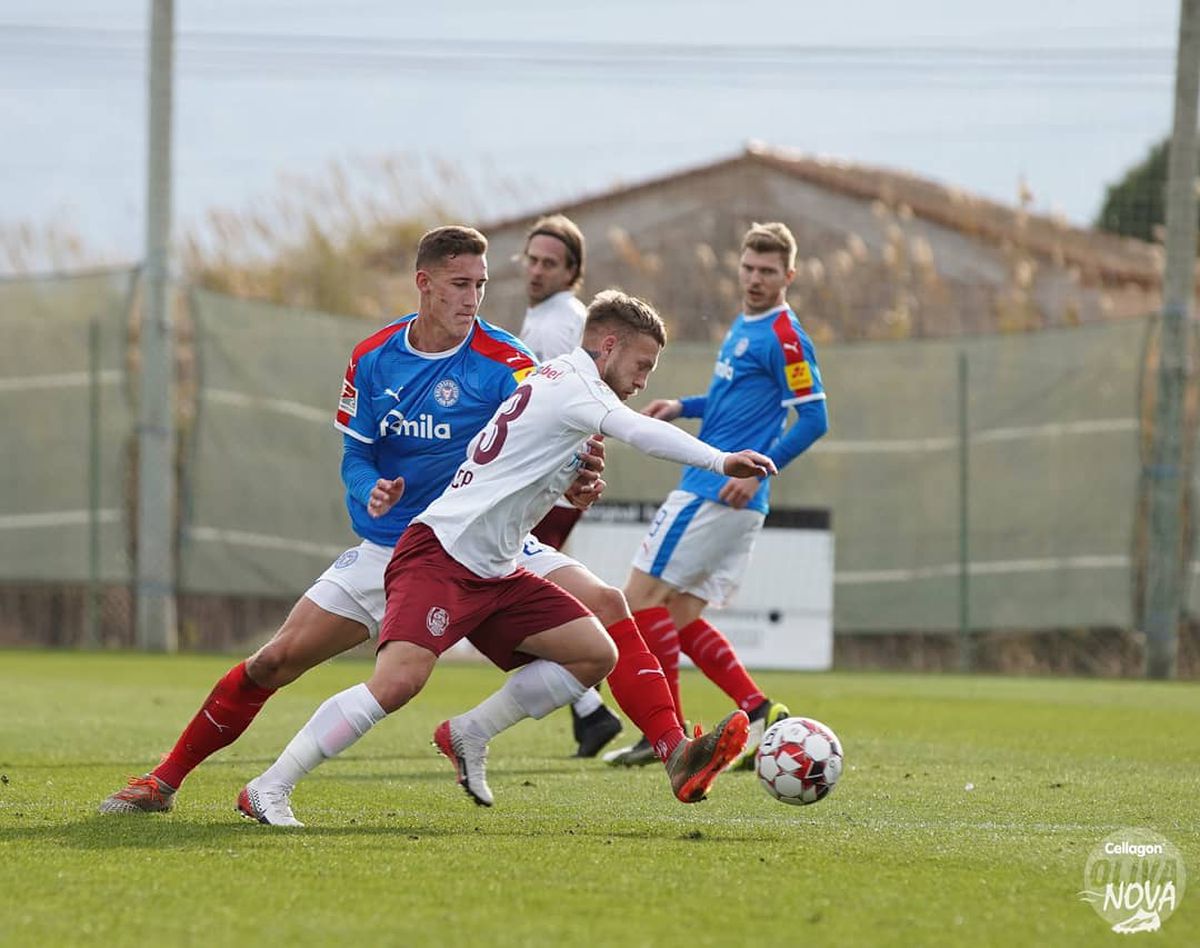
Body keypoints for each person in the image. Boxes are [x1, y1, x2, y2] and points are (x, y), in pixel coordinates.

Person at [98, 224, 603, 815]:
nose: (473, 298)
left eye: (482, 285)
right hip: (389, 552)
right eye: (459, 284)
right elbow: (356, 455)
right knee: (274, 660)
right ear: (424, 283)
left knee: (603, 620)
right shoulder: (374, 357)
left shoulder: (507, 363)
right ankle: (163, 780)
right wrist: (372, 491)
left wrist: (579, 474)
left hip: (477, 553)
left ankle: (653, 739)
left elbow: (547, 434)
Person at [237, 290, 777, 825]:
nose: (642, 382)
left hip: (497, 567)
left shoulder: (557, 381)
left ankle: (486, 734)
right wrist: (722, 459)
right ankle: (268, 787)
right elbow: (640, 431)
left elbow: (523, 457)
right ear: (607, 346)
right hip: (443, 554)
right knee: (398, 682)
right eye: (641, 366)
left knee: (596, 650)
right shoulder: (576, 385)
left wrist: (574, 481)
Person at [606, 222, 829, 770]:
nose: (755, 279)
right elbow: (737, 399)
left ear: (789, 275)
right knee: (676, 617)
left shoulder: (784, 335)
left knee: (635, 603)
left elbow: (814, 418)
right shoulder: (747, 323)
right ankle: (758, 710)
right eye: (749, 268)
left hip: (716, 490)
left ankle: (669, 737)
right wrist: (684, 405)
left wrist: (758, 473)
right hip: (725, 495)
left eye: (768, 271)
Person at [516, 213, 623, 758]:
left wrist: (574, 465)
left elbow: (584, 400)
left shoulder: (564, 322)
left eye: (549, 263)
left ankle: (595, 706)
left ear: (572, 271)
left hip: (551, 483)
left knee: (508, 596)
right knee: (514, 595)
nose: (536, 271)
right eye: (531, 259)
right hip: (543, 479)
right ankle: (590, 713)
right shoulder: (544, 316)